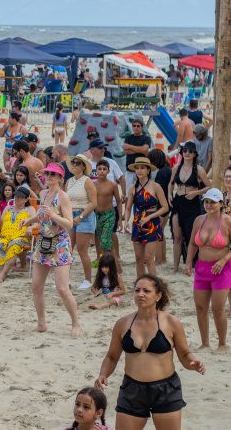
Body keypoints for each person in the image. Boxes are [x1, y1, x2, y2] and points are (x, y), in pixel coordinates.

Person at [95, 275, 205, 428]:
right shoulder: (123, 323)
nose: (140, 294)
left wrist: (193, 363)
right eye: (137, 290)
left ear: (158, 296)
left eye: (146, 291)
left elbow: (185, 354)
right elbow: (112, 356)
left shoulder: (171, 322)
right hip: (132, 389)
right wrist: (103, 374)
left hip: (166, 390)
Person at [20, 164, 82, 336]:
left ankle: (76, 323)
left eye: (54, 174)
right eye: (48, 173)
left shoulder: (63, 197)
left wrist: (54, 215)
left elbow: (69, 223)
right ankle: (41, 324)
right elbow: (42, 215)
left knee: (62, 288)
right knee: (36, 286)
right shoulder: (43, 193)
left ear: (61, 178)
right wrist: (28, 220)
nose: (50, 176)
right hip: (44, 242)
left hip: (60, 243)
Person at [184, 188, 231, 350]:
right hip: (202, 269)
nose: (209, 205)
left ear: (221, 204)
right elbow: (192, 243)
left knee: (218, 308)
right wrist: (189, 262)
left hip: (222, 270)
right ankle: (205, 343)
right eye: (206, 202)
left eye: (213, 202)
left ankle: (222, 343)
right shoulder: (199, 220)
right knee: (201, 307)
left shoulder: (227, 221)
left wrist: (224, 259)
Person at [168, 142, 210, 271]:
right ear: (182, 152)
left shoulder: (199, 169)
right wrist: (169, 194)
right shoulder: (176, 168)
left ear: (194, 154)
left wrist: (196, 192)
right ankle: (175, 268)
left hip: (192, 204)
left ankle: (192, 263)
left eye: (190, 151)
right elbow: (171, 183)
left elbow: (209, 186)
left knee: (193, 235)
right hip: (178, 202)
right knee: (177, 236)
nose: (187, 153)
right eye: (185, 151)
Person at [125, 157, 169, 278]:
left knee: (149, 258)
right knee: (138, 258)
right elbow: (128, 207)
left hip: (152, 222)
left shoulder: (156, 186)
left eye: (142, 168)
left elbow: (165, 207)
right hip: (138, 222)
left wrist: (150, 217)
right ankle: (140, 283)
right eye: (137, 168)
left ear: (148, 170)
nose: (139, 171)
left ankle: (153, 284)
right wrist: (126, 221)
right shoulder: (132, 188)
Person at [65, 154, 98, 290]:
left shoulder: (87, 181)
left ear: (84, 166)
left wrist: (81, 216)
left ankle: (88, 280)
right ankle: (65, 279)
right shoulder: (69, 181)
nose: (74, 165)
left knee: (82, 250)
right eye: (73, 162)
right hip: (71, 215)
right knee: (67, 249)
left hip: (84, 215)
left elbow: (94, 203)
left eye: (78, 163)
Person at [0, 186, 36, 282]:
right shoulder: (8, 207)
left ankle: (2, 274)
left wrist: (30, 227)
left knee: (13, 245)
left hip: (21, 238)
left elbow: (36, 224)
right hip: (5, 236)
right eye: (16, 196)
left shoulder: (30, 209)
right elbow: (0, 221)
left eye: (20, 197)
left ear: (26, 199)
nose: (17, 198)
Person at [92, 161, 123, 268]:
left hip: (109, 214)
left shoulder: (113, 185)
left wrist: (120, 219)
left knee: (106, 242)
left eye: (104, 169)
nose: (101, 171)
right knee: (103, 243)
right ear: (96, 171)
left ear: (108, 171)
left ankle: (115, 268)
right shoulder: (93, 185)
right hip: (96, 215)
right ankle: (110, 266)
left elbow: (118, 201)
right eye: (99, 169)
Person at [122, 118, 151, 188]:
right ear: (132, 127)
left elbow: (144, 149)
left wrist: (130, 146)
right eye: (134, 126)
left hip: (142, 170)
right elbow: (125, 150)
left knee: (142, 191)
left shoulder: (146, 138)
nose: (136, 128)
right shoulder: (128, 138)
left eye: (138, 126)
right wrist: (140, 149)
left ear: (142, 127)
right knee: (128, 192)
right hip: (130, 169)